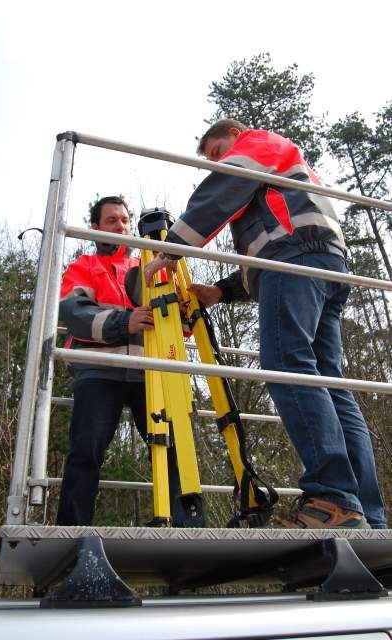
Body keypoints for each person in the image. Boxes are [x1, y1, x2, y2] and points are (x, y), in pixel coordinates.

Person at [145, 119, 387, 529]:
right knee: (329, 382)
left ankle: (332, 497)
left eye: (219, 154)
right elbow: (276, 239)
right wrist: (222, 290)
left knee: (288, 366)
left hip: (295, 263)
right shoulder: (283, 183)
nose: (217, 166)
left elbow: (226, 194)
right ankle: (365, 512)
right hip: (323, 265)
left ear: (236, 137)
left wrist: (170, 248)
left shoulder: (258, 143)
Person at [56, 196, 183, 526]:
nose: (122, 226)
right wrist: (123, 322)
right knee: (86, 451)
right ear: (96, 228)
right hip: (99, 370)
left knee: (171, 447)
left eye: (125, 220)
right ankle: (72, 530)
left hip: (151, 373)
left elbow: (176, 321)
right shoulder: (83, 267)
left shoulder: (149, 266)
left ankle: (181, 525)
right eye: (112, 220)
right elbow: (76, 314)